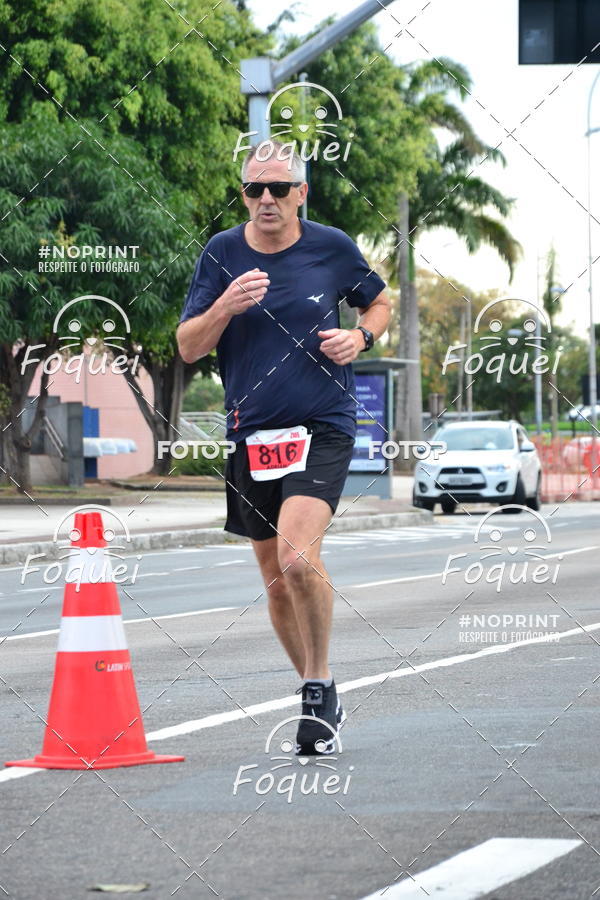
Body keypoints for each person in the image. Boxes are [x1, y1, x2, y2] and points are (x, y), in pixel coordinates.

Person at [177, 140, 390, 754]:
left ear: (302, 193)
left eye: (278, 188)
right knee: (275, 578)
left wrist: (363, 337)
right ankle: (315, 685)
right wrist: (224, 304)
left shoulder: (332, 248)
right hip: (252, 433)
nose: (265, 199)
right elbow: (189, 346)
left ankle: (317, 690)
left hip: (322, 425)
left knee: (299, 558)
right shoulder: (221, 254)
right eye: (253, 189)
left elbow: (377, 300)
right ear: (244, 194)